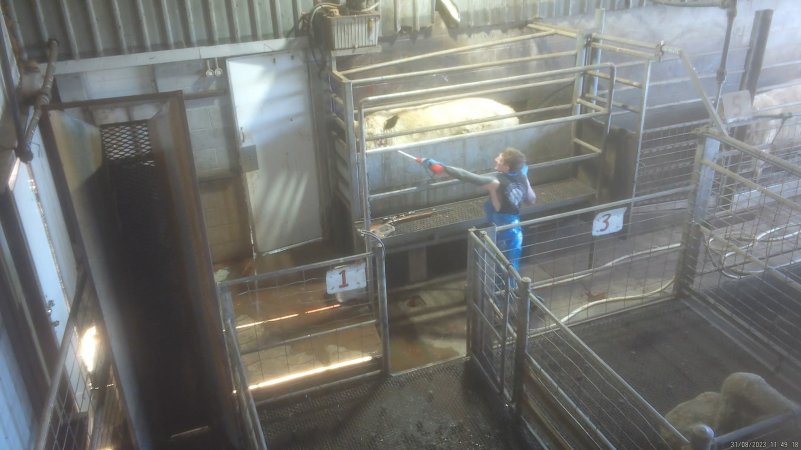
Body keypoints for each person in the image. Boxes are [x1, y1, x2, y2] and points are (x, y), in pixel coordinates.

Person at [424, 147, 536, 271]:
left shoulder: (495, 183)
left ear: (507, 167)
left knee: (498, 266)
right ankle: (511, 288)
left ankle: (496, 290)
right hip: (515, 230)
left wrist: (441, 167)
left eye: (500, 159)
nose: (496, 159)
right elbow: (531, 200)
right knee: (511, 264)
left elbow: (467, 176)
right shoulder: (520, 178)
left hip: (499, 231)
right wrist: (525, 177)